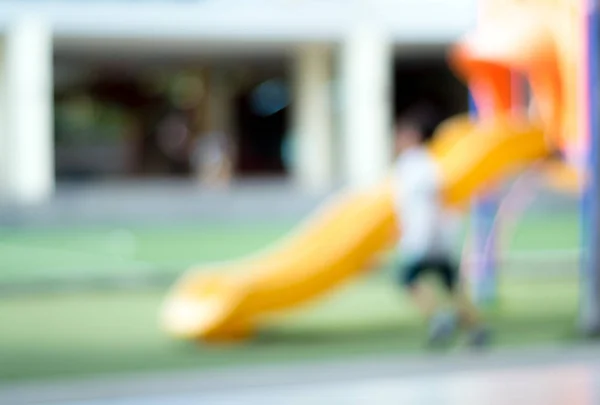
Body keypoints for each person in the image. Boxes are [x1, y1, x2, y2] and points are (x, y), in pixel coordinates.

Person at [393, 103, 490, 348]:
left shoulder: (420, 164)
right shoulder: (412, 163)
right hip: (429, 234)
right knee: (450, 285)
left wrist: (430, 232)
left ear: (415, 135)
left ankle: (439, 318)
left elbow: (436, 198)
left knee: (408, 279)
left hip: (427, 236)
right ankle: (475, 327)